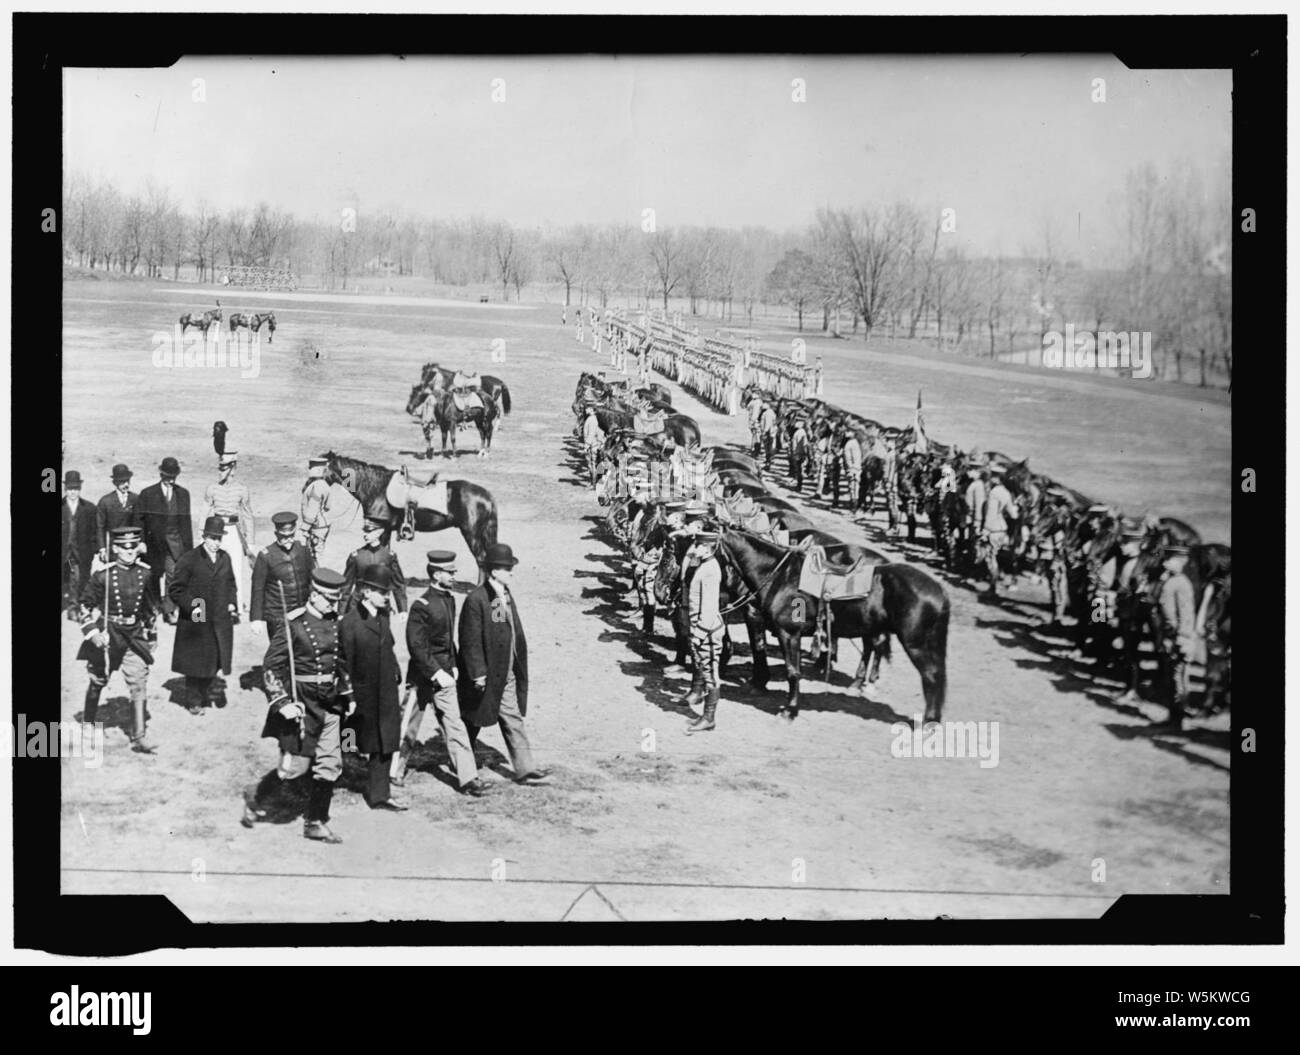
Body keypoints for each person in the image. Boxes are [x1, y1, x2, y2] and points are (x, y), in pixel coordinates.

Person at [242, 568, 355, 844]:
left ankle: (315, 821)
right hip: (301, 704)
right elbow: (272, 665)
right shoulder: (294, 624)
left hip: (329, 703)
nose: (332, 605)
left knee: (330, 763)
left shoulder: (335, 622)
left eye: (336, 600)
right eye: (328, 599)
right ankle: (256, 795)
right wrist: (281, 701)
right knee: (293, 769)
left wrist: (348, 694)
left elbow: (341, 662)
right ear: (314, 595)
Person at [395, 550, 488, 795]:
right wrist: (436, 672)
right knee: (408, 726)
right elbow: (417, 645)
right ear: (436, 574)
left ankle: (469, 778)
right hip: (422, 678)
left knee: (454, 725)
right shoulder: (421, 605)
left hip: (446, 675)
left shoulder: (449, 599)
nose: (454, 575)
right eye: (450, 572)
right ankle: (394, 771)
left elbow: (448, 640)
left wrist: (454, 665)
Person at [457, 543, 548, 784]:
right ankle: (462, 766)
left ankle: (525, 768)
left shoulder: (504, 594)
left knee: (513, 717)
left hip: (505, 672)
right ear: (494, 571)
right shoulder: (476, 599)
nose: (511, 573)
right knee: (472, 722)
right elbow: (469, 640)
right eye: (507, 569)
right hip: (485, 675)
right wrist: (477, 673)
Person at [76, 525, 160, 753]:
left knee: (139, 683)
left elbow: (151, 608)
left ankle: (139, 736)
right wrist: (93, 633)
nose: (130, 551)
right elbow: (84, 606)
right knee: (98, 680)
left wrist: (152, 635)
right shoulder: (103, 575)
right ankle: (88, 723)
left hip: (134, 636)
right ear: (115, 548)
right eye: (124, 547)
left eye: (133, 546)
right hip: (109, 635)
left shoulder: (146, 573)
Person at [339, 563, 408, 811]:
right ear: (366, 592)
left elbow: (387, 646)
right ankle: (344, 772)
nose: (387, 596)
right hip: (363, 693)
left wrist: (396, 671)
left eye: (388, 592)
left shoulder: (383, 615)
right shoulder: (350, 622)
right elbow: (343, 662)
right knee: (352, 737)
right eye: (382, 592)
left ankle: (380, 795)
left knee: (386, 739)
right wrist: (349, 696)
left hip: (386, 688)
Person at [169, 515, 238, 714]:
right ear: (204, 536)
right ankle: (194, 700)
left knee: (216, 658)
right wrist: (194, 606)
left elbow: (231, 583)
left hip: (220, 618)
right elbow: (176, 590)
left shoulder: (225, 558)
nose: (216, 543)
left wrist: (232, 602)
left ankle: (205, 690)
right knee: (196, 661)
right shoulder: (189, 559)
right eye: (212, 538)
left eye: (219, 538)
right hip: (196, 619)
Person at [137, 456, 193, 625]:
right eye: (167, 476)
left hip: (175, 542)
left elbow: (186, 522)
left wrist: (189, 548)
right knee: (153, 576)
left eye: (173, 477)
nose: (170, 480)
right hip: (154, 544)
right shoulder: (148, 494)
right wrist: (141, 541)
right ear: (161, 474)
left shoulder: (183, 494)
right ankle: (154, 606)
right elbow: (138, 519)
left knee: (173, 574)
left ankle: (169, 610)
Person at [681, 529, 724, 733]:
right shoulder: (705, 564)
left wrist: (698, 635)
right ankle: (705, 716)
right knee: (704, 669)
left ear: (707, 548)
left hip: (707, 630)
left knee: (711, 674)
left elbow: (709, 608)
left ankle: (709, 718)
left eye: (698, 545)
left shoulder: (710, 569)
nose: (694, 548)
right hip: (702, 627)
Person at [250, 512, 316, 643]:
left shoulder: (303, 550)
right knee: (280, 655)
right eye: (284, 537)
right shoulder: (266, 556)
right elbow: (258, 588)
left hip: (302, 612)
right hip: (278, 617)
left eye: (291, 536)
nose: (288, 540)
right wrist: (256, 618)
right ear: (276, 534)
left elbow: (313, 577)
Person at [204, 451, 255, 616]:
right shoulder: (212, 489)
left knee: (235, 568)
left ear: (233, 468)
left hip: (233, 530)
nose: (222, 471)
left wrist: (251, 541)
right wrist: (201, 534)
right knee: (213, 566)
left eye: (225, 468)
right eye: (220, 468)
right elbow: (205, 511)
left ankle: (236, 605)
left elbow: (247, 514)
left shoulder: (242, 489)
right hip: (215, 530)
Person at [1154, 544, 1197, 729]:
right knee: (1171, 679)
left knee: (1178, 679)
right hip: (1169, 636)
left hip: (1178, 638)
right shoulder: (1171, 580)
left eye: (1169, 559)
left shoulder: (1181, 583)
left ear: (1182, 561)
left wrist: (1180, 639)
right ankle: (1173, 717)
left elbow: (1186, 615)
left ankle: (1179, 720)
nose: (1164, 563)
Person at [342, 516, 407, 616]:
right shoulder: (356, 556)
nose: (365, 535)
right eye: (364, 531)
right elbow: (346, 586)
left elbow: (398, 584)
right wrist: (341, 612)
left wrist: (402, 609)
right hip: (357, 604)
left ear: (379, 532)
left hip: (381, 605)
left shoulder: (389, 556)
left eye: (369, 532)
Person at [62, 470, 98, 618]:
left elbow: (94, 530)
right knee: (65, 579)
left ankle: (74, 608)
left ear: (80, 489)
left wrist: (92, 550)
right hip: (63, 552)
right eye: (70, 488)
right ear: (65, 489)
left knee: (76, 578)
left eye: (76, 488)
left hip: (79, 553)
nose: (73, 492)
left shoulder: (89, 508)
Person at [980, 466, 1019, 596]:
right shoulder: (1006, 493)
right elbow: (1014, 515)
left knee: (991, 559)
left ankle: (993, 587)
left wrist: (986, 530)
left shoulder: (994, 492)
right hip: (1003, 529)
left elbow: (990, 514)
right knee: (998, 557)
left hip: (993, 529)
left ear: (996, 478)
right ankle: (1001, 582)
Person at [96, 463, 141, 540]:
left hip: (133, 543)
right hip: (114, 545)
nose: (126, 484)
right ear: (115, 482)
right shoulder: (106, 501)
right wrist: (102, 547)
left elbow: (140, 523)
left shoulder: (136, 499)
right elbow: (100, 527)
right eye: (122, 482)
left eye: (128, 481)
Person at [300, 455, 333, 563]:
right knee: (317, 552)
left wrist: (305, 527)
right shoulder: (324, 484)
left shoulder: (316, 486)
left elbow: (313, 508)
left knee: (316, 555)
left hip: (316, 526)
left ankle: (320, 577)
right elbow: (328, 506)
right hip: (323, 524)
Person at [839, 428, 863, 512]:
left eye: (848, 431)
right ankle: (853, 508)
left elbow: (856, 458)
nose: (846, 433)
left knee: (854, 489)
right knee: (851, 489)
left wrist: (853, 470)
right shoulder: (850, 442)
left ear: (853, 433)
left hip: (853, 470)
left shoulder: (853, 443)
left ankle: (854, 510)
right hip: (850, 469)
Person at [581, 405, 605, 487]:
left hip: (593, 445)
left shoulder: (592, 420)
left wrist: (586, 445)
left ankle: (593, 483)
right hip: (596, 444)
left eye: (587, 408)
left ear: (591, 409)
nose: (585, 409)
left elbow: (591, 434)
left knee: (592, 464)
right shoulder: (596, 418)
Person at [759, 400, 778, 469]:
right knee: (768, 449)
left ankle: (768, 464)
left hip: (768, 434)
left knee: (768, 449)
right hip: (770, 433)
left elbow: (767, 424)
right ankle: (768, 461)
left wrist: (764, 432)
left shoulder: (768, 413)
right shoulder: (769, 412)